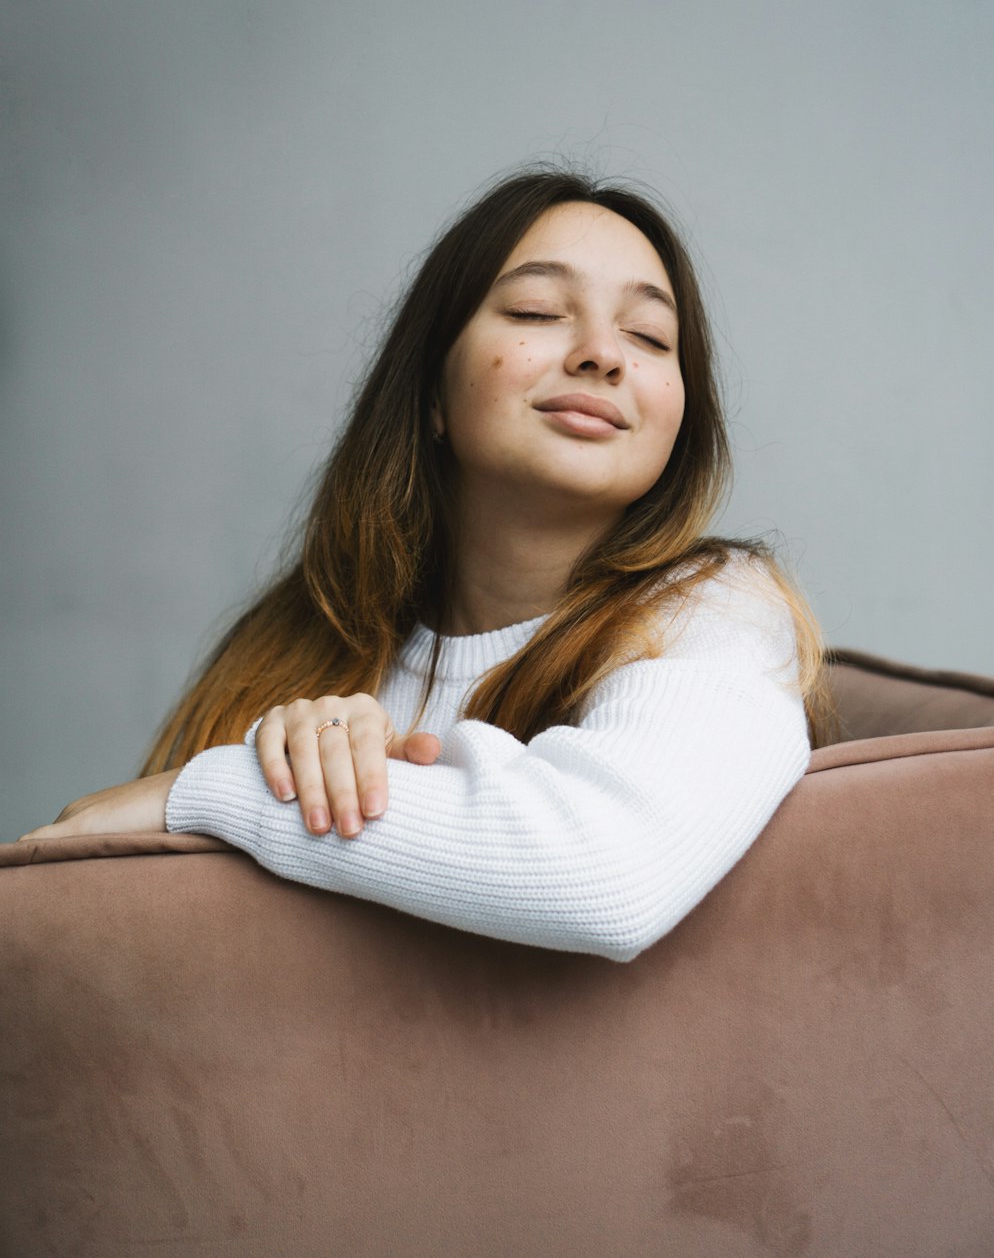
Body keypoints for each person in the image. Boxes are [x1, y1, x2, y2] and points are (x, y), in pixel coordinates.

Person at [20, 163, 829, 961]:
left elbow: (607, 876)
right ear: (433, 392)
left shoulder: (718, 612)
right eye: (539, 311)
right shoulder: (298, 639)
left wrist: (215, 790)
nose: (602, 355)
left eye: (650, 337)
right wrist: (294, 758)